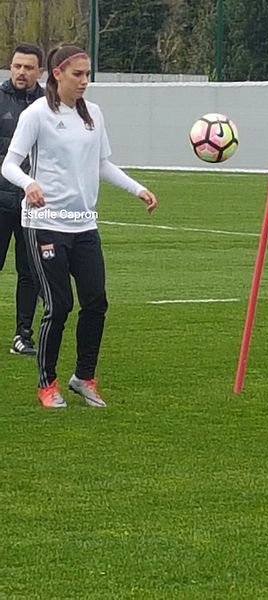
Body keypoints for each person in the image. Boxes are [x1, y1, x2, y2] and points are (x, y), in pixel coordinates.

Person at [2, 45, 157, 408]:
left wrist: (138, 189)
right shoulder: (37, 114)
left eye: (88, 74)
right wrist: (29, 184)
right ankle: (47, 383)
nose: (85, 81)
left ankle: (84, 377)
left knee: (96, 302)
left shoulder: (94, 114)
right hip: (45, 224)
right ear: (57, 73)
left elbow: (102, 163)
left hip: (84, 226)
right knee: (59, 305)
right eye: (78, 74)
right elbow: (9, 164)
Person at [0, 43, 44, 355]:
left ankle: (22, 336)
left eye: (28, 67)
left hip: (34, 207)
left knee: (29, 271)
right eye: (17, 66)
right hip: (0, 201)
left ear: (39, 72)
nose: (21, 72)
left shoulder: (48, 105)